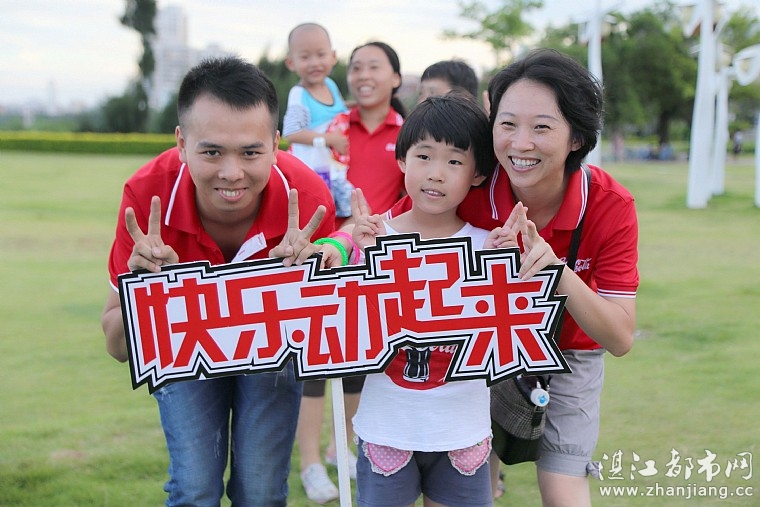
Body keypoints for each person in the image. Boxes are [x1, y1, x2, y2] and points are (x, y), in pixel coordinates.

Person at [331, 48, 639, 507]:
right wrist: (333, 247)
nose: (520, 143)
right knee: (473, 459)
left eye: (542, 127)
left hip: (570, 348)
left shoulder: (609, 205)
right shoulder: (465, 184)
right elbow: (381, 228)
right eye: (507, 123)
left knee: (562, 483)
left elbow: (619, 337)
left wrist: (554, 270)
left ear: (576, 136)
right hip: (485, 348)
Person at [100, 56, 336, 507]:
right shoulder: (146, 195)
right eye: (211, 152)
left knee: (261, 490)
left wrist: (308, 287)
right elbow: (116, 346)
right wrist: (146, 295)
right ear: (181, 143)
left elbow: (334, 341)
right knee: (195, 487)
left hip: (271, 350)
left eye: (250, 152)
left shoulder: (307, 199)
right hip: (185, 343)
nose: (232, 173)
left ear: (276, 144)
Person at [348, 93, 515, 507]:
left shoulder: (486, 245)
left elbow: (504, 335)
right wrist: (361, 257)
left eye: (455, 162)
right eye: (423, 156)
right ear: (402, 160)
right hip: (387, 428)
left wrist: (505, 267)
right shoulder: (374, 239)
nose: (436, 174)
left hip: (462, 432)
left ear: (478, 174)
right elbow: (348, 326)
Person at [327, 41, 407, 219]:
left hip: (378, 234)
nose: (363, 75)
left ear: (396, 78)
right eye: (356, 68)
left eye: (374, 67)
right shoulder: (333, 127)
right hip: (324, 234)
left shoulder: (408, 135)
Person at [282, 22, 353, 220]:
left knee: (347, 213)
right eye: (305, 57)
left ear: (333, 56)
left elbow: (339, 111)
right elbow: (292, 133)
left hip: (334, 167)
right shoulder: (299, 94)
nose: (314, 63)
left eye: (321, 55)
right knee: (320, 215)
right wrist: (329, 140)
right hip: (314, 171)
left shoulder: (330, 85)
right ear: (291, 63)